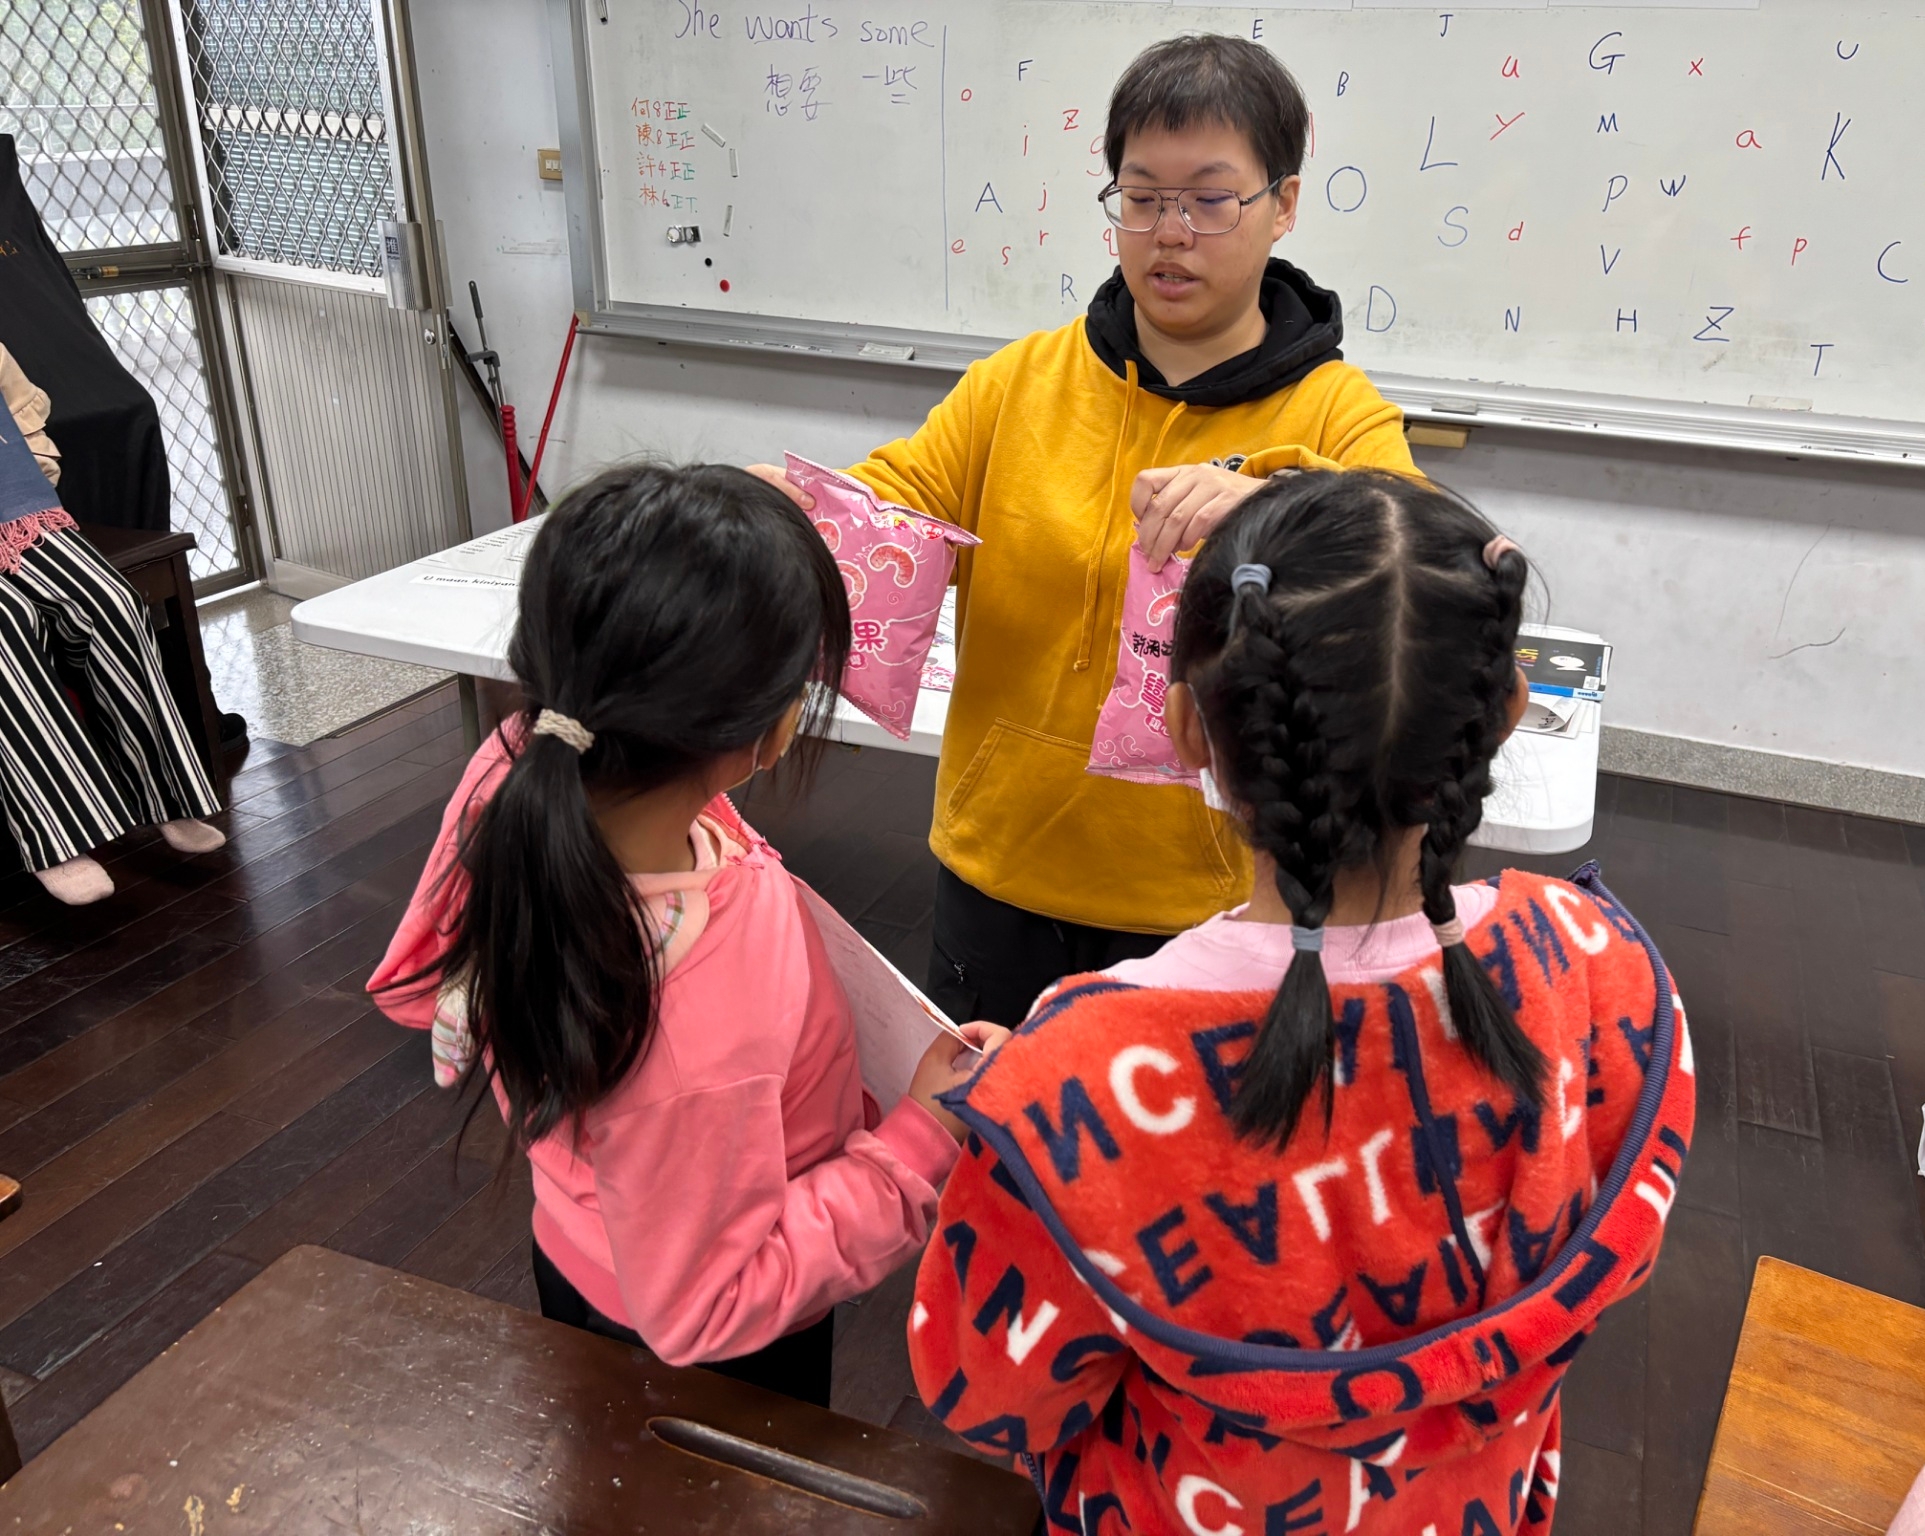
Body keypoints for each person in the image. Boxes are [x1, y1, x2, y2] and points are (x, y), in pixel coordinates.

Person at [904, 470, 1696, 1534]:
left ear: (1185, 728)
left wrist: (1023, 1128)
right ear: (1506, 709)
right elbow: (1618, 1248)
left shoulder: (1071, 1078)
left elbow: (989, 1392)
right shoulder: (1598, 961)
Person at [752, 35, 1418, 1027]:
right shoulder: (1019, 382)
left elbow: (1414, 552)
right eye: (1141, 197)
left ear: (1282, 204)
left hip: (1209, 900)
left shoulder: (1333, 411)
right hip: (999, 865)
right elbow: (897, 499)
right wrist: (790, 508)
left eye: (1209, 199)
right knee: (986, 1110)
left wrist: (1278, 505)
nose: (1169, 233)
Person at [368, 464, 1004, 1407]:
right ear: (767, 732)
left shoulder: (523, 762)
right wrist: (920, 1140)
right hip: (716, 1357)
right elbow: (710, 1306)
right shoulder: (703, 1004)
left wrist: (702, 534)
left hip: (585, 1246)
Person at [0, 341, 223, 905]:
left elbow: (22, 411)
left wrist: (35, 475)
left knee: (110, 603)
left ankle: (168, 797)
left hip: (13, 509)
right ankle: (57, 839)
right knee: (7, 628)